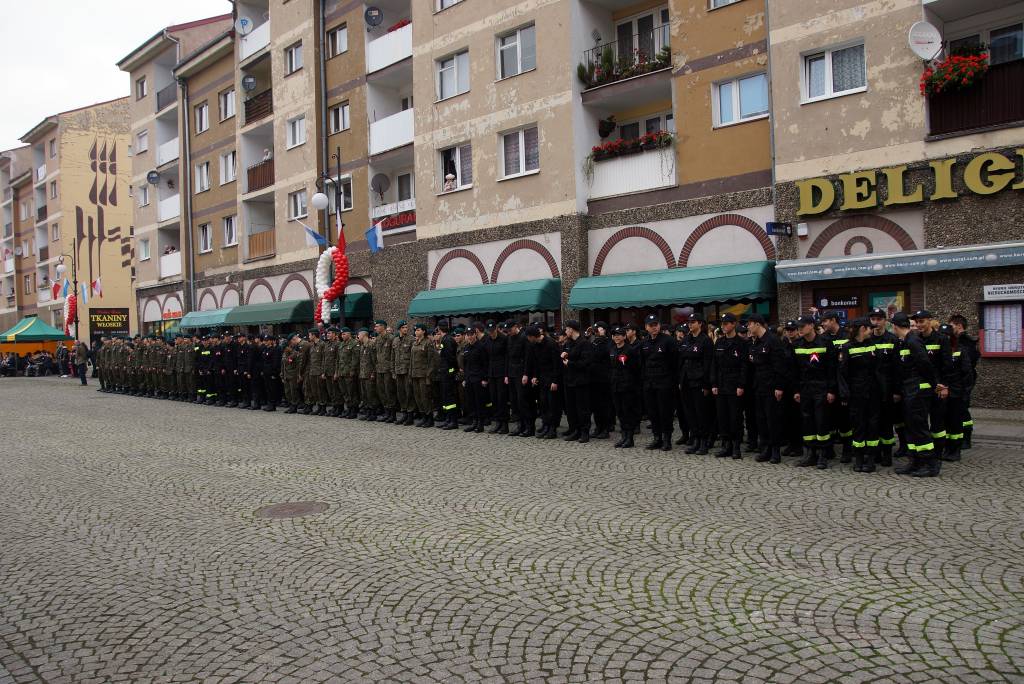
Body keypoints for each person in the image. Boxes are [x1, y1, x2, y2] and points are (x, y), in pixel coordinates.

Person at [891, 313, 940, 477]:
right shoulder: (905, 341)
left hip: (918, 390)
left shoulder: (913, 341)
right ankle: (915, 461)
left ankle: (931, 464)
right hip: (910, 390)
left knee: (919, 427)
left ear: (895, 327)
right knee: (911, 427)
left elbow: (925, 363)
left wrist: (933, 384)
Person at [793, 314, 838, 469]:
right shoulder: (797, 344)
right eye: (798, 326)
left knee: (821, 421)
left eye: (802, 326)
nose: (799, 329)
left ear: (811, 325)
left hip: (821, 388)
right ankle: (810, 453)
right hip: (805, 389)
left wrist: (831, 390)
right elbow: (796, 370)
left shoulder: (825, 342)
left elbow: (832, 369)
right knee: (807, 421)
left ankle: (823, 454)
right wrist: (796, 390)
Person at [838, 318, 883, 473]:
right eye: (869, 328)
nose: (872, 331)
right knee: (858, 426)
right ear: (862, 329)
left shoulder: (872, 346)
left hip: (873, 393)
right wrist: (844, 394)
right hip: (856, 394)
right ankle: (858, 458)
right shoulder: (847, 347)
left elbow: (879, 371)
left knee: (873, 426)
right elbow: (842, 374)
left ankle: (870, 459)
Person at [747, 314, 789, 464]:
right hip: (759, 386)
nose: (748, 327)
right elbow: (752, 358)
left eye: (750, 324)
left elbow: (780, 365)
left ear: (758, 324)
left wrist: (779, 386)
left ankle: (775, 451)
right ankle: (766, 448)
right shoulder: (755, 341)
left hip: (771, 386)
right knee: (761, 420)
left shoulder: (772, 340)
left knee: (773, 420)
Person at [639, 314, 676, 451]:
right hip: (649, 383)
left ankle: (667, 439)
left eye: (656, 324)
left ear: (659, 326)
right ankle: (657, 438)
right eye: (651, 325)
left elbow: (674, 363)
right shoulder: (644, 343)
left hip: (664, 383)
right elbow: (642, 363)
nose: (654, 327)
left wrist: (672, 382)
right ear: (646, 327)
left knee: (665, 412)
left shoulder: (668, 341)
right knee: (652, 412)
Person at [712, 313, 746, 458]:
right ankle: (726, 445)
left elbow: (744, 367)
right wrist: (714, 383)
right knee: (722, 416)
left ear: (734, 324)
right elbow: (714, 365)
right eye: (723, 324)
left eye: (727, 323)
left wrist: (741, 385)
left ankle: (736, 446)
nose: (724, 326)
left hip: (735, 384)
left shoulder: (741, 343)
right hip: (721, 383)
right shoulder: (719, 342)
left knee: (735, 417)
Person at [679, 314, 714, 455]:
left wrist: (706, 385)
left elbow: (708, 364)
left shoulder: (705, 341)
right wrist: (680, 381)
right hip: (687, 380)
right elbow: (682, 361)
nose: (690, 324)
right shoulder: (687, 339)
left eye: (693, 322)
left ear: (700, 324)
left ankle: (704, 442)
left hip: (699, 381)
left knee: (701, 413)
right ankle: (696, 440)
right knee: (690, 413)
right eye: (689, 322)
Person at [560, 320, 594, 443]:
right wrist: (564, 355)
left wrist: (570, 363)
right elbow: (567, 356)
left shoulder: (584, 343)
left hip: (581, 381)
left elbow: (585, 363)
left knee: (582, 408)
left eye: (567, 329)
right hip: (569, 381)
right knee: (571, 408)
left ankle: (585, 432)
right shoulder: (568, 343)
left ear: (572, 329)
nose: (565, 331)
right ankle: (575, 430)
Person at [948, 314, 979, 450]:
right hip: (957, 381)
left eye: (951, 326)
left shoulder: (966, 342)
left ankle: (967, 437)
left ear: (959, 326)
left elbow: (968, 364)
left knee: (963, 410)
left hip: (964, 381)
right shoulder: (956, 341)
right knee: (959, 410)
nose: (950, 329)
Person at [525, 324, 560, 439]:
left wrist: (555, 381)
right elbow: (536, 363)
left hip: (551, 378)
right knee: (543, 403)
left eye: (529, 338)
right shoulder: (535, 345)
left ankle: (552, 429)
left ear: (533, 336)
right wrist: (535, 376)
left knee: (552, 404)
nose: (528, 340)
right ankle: (546, 425)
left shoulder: (551, 344)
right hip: (542, 378)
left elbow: (556, 364)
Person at [609, 325, 641, 448]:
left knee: (628, 412)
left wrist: (633, 384)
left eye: (618, 334)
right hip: (616, 386)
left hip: (628, 386)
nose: (616, 337)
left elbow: (636, 368)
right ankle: (624, 436)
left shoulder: (630, 350)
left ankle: (630, 437)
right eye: (614, 335)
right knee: (620, 412)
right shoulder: (612, 350)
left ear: (624, 336)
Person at [461, 323, 489, 433]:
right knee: (471, 402)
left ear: (475, 334)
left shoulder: (481, 347)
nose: (470, 336)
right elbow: (466, 365)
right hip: (469, 379)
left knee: (479, 402)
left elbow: (485, 364)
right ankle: (473, 422)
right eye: (468, 334)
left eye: (471, 334)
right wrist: (465, 379)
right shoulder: (466, 348)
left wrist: (484, 379)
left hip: (478, 379)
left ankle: (480, 423)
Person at [409, 323, 436, 427]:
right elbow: (411, 360)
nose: (416, 332)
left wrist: (428, 376)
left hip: (424, 375)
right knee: (418, 397)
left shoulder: (428, 343)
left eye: (419, 330)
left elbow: (431, 361)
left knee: (425, 397)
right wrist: (410, 374)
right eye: (415, 330)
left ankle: (429, 418)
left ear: (424, 331)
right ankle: (423, 416)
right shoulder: (415, 343)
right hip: (415, 374)